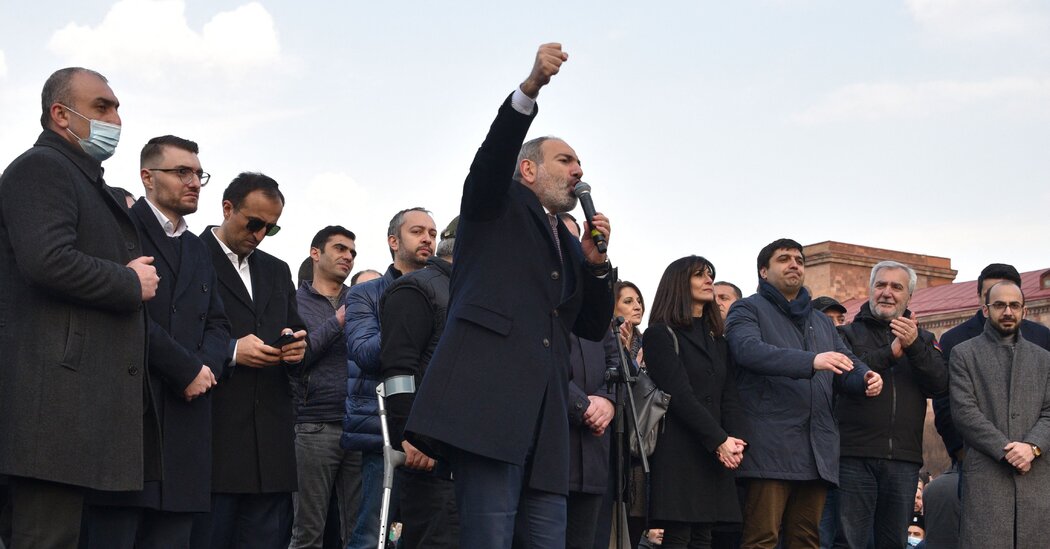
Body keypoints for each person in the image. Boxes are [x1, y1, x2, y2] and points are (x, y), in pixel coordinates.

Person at [405, 43, 615, 549]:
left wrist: (596, 265)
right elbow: (493, 155)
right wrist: (530, 88)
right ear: (527, 170)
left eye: (580, 163)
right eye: (565, 160)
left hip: (547, 419)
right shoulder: (493, 204)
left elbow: (589, 326)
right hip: (489, 407)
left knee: (546, 538)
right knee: (489, 536)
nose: (577, 171)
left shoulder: (568, 240)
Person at [0, 66, 162, 548]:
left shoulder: (84, 179)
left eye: (116, 109)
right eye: (101, 107)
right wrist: (128, 281)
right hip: (50, 408)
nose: (115, 119)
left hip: (76, 406)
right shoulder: (41, 167)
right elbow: (47, 260)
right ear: (60, 114)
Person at [82, 135, 231, 548]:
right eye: (182, 172)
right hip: (132, 420)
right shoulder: (120, 229)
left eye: (198, 173)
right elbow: (124, 315)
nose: (194, 182)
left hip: (188, 422)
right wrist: (185, 369)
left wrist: (206, 369)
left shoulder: (198, 248)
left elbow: (218, 322)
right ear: (147, 177)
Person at [725, 238, 882, 549]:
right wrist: (811, 361)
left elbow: (845, 360)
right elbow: (748, 350)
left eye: (799, 259)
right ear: (763, 271)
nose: (794, 264)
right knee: (762, 538)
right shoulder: (747, 308)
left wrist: (865, 377)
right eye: (784, 259)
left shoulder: (820, 321)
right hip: (770, 447)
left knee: (807, 540)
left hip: (816, 451)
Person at [195, 172, 307, 549]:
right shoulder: (190, 255)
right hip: (215, 439)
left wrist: (295, 349)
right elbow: (173, 334)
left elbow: (294, 327)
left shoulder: (276, 269)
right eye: (253, 223)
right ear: (227, 208)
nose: (259, 235)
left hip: (270, 447)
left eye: (270, 229)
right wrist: (230, 351)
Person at [832, 261, 948, 549]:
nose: (887, 292)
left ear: (909, 296)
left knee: (894, 542)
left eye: (896, 287)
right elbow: (842, 375)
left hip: (904, 461)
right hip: (853, 456)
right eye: (880, 285)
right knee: (849, 542)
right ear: (870, 290)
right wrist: (890, 353)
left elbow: (940, 384)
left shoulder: (924, 340)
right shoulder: (846, 334)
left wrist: (914, 346)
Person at [341, 207, 437, 549]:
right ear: (394, 241)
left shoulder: (444, 292)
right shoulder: (365, 293)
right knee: (372, 535)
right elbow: (365, 353)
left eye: (432, 233)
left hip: (435, 432)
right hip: (383, 431)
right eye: (417, 231)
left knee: (426, 536)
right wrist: (407, 320)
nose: (427, 239)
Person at [643, 255, 747, 548]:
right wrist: (719, 440)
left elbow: (730, 394)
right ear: (679, 282)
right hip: (677, 450)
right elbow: (679, 395)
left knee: (704, 536)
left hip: (715, 450)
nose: (708, 280)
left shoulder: (718, 340)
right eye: (699, 274)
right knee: (679, 536)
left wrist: (736, 441)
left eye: (710, 274)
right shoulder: (660, 334)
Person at [377, 216, 460, 548]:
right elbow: (398, 370)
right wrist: (411, 437)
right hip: (429, 458)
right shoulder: (416, 288)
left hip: (467, 458)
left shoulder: (471, 290)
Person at [949, 281, 1050, 549]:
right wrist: (1007, 451)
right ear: (986, 310)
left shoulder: (1044, 359)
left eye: (1014, 305)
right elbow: (964, 412)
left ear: (1024, 311)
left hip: (1037, 479)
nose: (1007, 311)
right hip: (987, 479)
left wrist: (1032, 447)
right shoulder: (964, 354)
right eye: (1000, 305)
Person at [290, 225, 362, 549]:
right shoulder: (293, 302)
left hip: (358, 425)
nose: (348, 256)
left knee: (360, 534)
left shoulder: (362, 299)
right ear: (315, 253)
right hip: (313, 426)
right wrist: (338, 322)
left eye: (352, 252)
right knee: (307, 533)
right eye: (340, 248)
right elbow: (296, 361)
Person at [558, 215, 619, 549]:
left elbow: (615, 362)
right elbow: (539, 362)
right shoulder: (538, 295)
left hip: (593, 456)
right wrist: (582, 405)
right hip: (552, 452)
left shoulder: (596, 307)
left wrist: (608, 401)